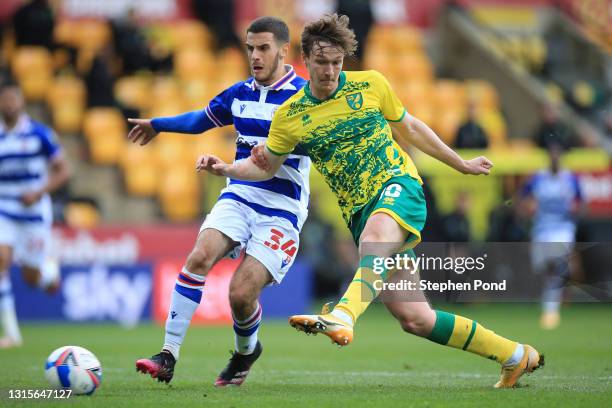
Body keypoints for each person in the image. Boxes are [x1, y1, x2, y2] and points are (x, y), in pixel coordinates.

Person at [198, 14, 544, 388]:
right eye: (321, 62)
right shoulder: (291, 116)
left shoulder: (371, 84)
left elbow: (410, 127)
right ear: (306, 60)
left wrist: (459, 163)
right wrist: (227, 169)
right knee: (416, 318)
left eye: (336, 62)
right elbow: (264, 167)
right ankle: (515, 355)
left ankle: (343, 314)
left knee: (375, 238)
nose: (330, 71)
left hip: (399, 186)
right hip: (361, 212)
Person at [128, 17, 308, 387]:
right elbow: (200, 120)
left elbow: (316, 145)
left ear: (283, 50)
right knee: (198, 256)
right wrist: (158, 124)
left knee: (241, 295)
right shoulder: (239, 93)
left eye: (263, 48)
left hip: (283, 208)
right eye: (250, 48)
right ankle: (167, 355)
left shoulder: (304, 98)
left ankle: (246, 351)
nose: (255, 56)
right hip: (240, 194)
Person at [0, 80, 69, 348]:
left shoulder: (40, 135)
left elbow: (63, 171)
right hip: (4, 209)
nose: (8, 104)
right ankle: (12, 334)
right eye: (4, 99)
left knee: (31, 277)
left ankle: (49, 273)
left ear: (21, 102)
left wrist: (39, 192)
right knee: (1, 259)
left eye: (12, 99)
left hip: (33, 213)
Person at [521, 143, 583, 329]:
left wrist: (575, 209)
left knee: (556, 265)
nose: (555, 158)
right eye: (552, 155)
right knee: (542, 268)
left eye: (558, 155)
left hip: (563, 228)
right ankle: (550, 301)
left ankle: (550, 310)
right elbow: (521, 200)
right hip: (541, 229)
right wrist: (527, 207)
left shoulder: (571, 178)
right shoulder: (538, 178)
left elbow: (582, 203)